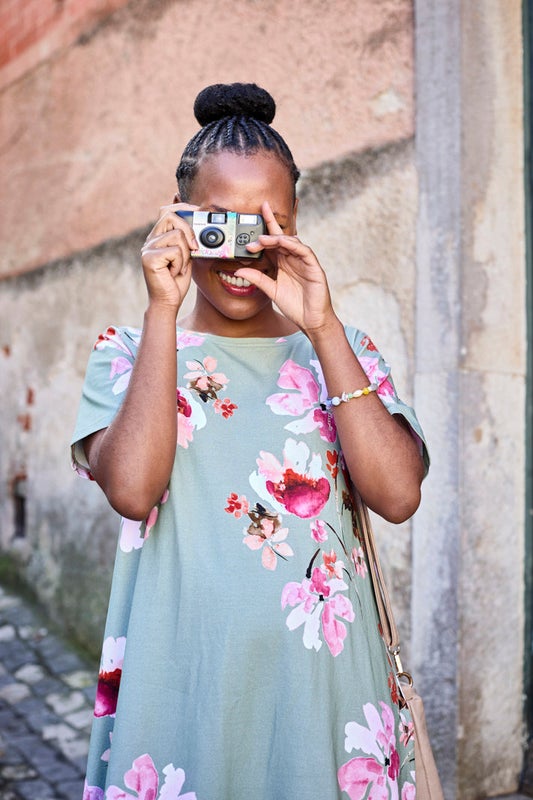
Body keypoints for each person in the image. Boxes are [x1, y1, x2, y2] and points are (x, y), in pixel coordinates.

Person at [71, 82, 429, 800]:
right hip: (183, 688)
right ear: (177, 223)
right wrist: (163, 311)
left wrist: (322, 328)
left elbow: (396, 495)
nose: (241, 250)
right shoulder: (131, 350)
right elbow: (133, 489)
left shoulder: (341, 350)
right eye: (217, 224)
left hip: (326, 697)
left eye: (265, 226)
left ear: (296, 228)